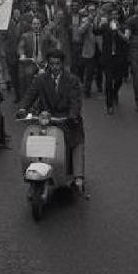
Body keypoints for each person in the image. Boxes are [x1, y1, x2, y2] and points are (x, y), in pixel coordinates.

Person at [16, 49, 86, 191]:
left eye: (58, 64)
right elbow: (30, 95)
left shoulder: (72, 80)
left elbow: (75, 101)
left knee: (75, 139)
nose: (54, 67)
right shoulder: (41, 79)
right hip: (46, 118)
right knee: (34, 138)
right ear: (48, 64)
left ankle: (78, 176)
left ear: (62, 64)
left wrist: (72, 115)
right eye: (52, 63)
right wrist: (23, 108)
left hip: (66, 119)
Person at [94, 7, 129, 115]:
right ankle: (109, 105)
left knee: (118, 80)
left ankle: (115, 93)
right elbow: (96, 31)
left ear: (119, 16)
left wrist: (118, 30)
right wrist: (98, 19)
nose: (114, 16)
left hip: (119, 59)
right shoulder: (105, 26)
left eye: (116, 14)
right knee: (108, 81)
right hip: (108, 59)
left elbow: (126, 39)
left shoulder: (124, 26)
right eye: (112, 14)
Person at [17, 16, 46, 100]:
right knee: (28, 74)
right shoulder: (25, 36)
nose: (36, 26)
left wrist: (55, 53)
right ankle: (28, 99)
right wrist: (22, 54)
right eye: (34, 24)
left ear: (40, 25)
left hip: (43, 63)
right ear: (31, 25)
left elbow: (55, 42)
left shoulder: (46, 34)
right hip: (31, 62)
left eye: (38, 24)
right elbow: (20, 47)